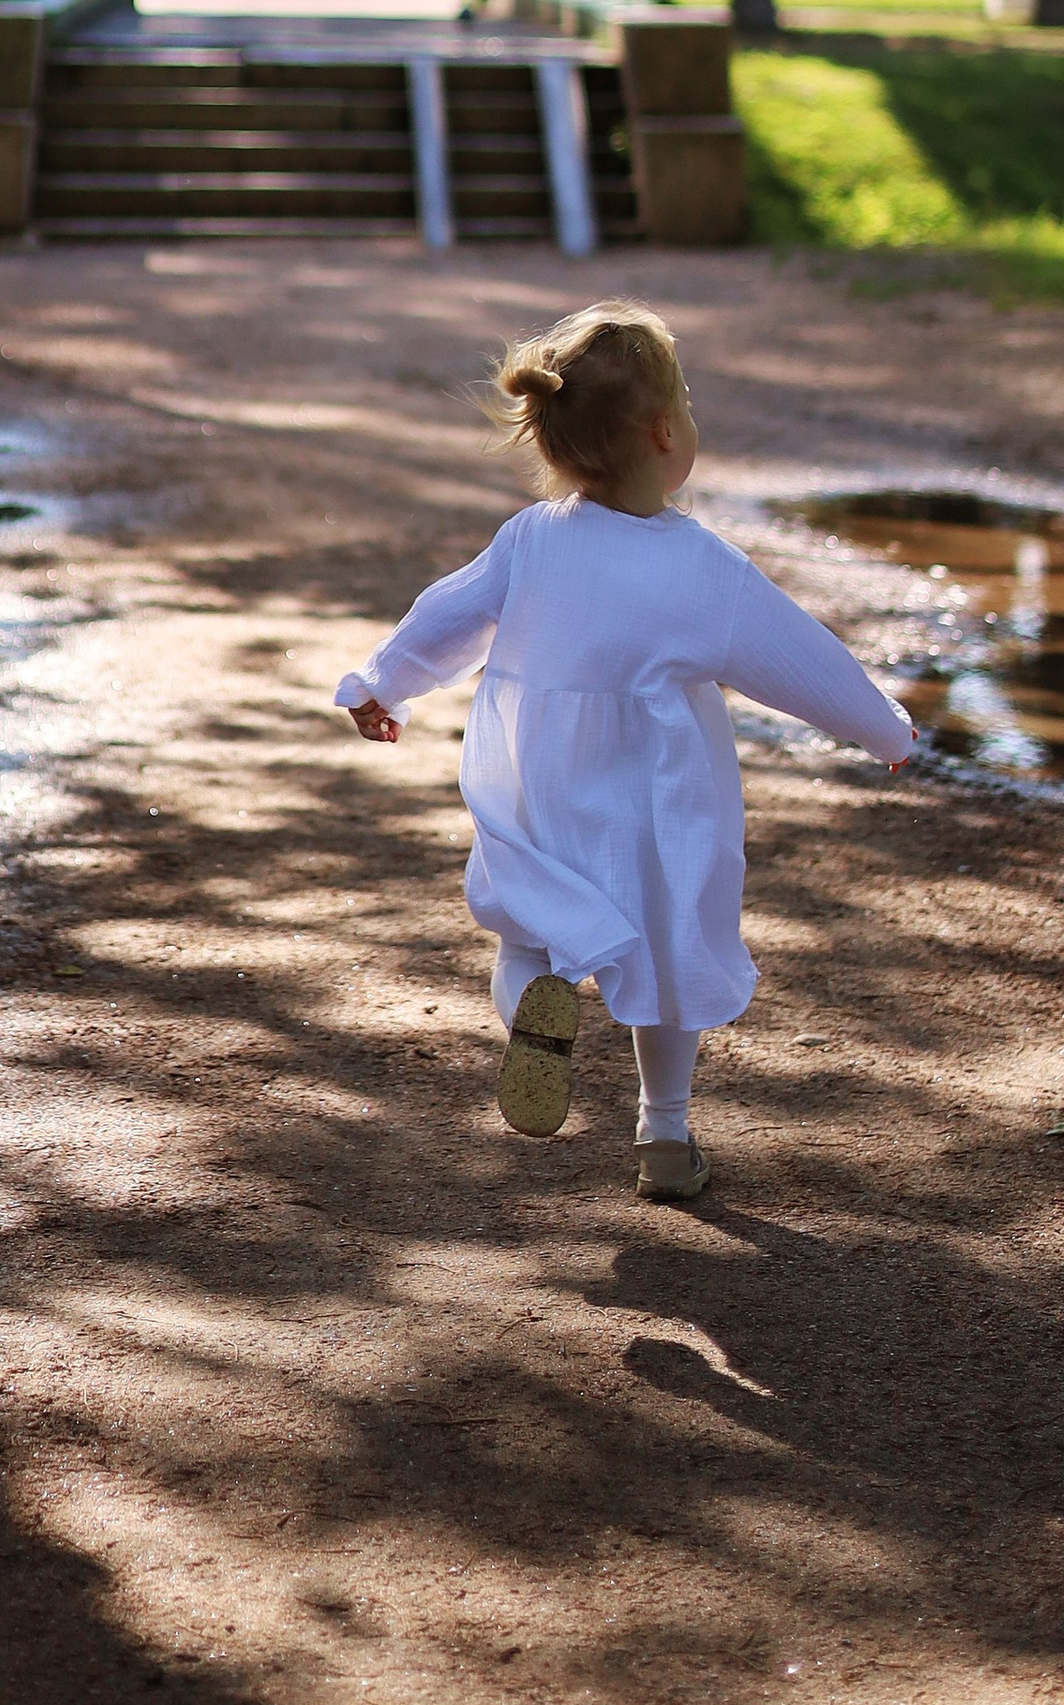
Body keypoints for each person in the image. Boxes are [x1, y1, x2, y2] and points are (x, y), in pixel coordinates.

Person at [330, 298, 915, 1204]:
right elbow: (803, 661)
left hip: (538, 785)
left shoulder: (530, 540)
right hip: (656, 800)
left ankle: (533, 1018)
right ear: (665, 433)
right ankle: (665, 1135)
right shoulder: (705, 570)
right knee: (670, 955)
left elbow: (448, 615)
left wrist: (380, 683)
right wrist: (883, 728)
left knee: (528, 931)